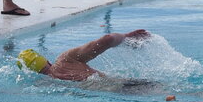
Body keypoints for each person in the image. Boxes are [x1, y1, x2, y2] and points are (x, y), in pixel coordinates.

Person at [17, 30, 151, 81]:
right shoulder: (66, 60)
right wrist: (126, 38)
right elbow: (108, 39)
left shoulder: (42, 85)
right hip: (127, 86)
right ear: (47, 61)